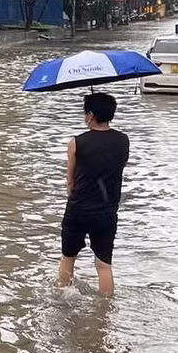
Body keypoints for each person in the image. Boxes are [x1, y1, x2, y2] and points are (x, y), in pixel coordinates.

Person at [58, 91, 130, 297]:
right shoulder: (123, 140)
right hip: (107, 210)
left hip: (79, 208)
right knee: (104, 264)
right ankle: (105, 309)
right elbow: (119, 166)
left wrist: (72, 194)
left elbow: (70, 179)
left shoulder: (76, 142)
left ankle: (62, 300)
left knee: (68, 257)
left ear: (90, 115)